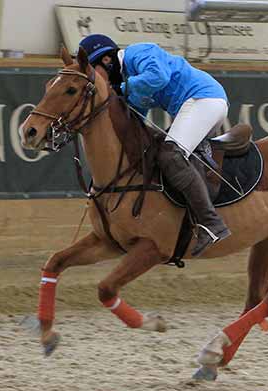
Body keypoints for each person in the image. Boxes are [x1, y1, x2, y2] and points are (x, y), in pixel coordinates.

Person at [79, 34, 230, 257]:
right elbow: (136, 118)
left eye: (93, 73)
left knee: (171, 155)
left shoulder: (139, 52)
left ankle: (212, 223)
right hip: (191, 108)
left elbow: (158, 77)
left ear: (106, 60)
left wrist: (121, 87)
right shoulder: (125, 80)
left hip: (205, 99)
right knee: (160, 151)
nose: (96, 81)